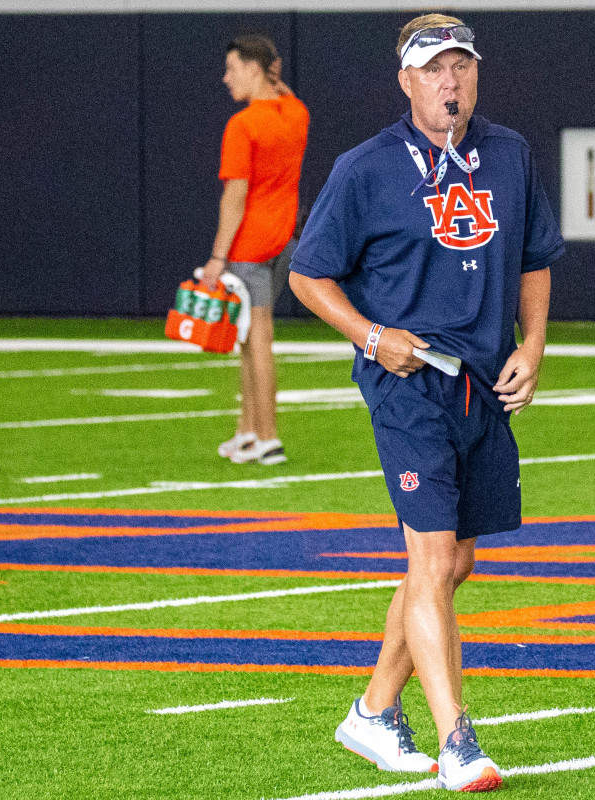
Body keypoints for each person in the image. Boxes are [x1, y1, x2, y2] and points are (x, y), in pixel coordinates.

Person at [288, 13, 563, 793]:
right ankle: (458, 740)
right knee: (434, 558)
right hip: (406, 385)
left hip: (483, 383)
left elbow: (536, 258)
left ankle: (374, 711)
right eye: (434, 69)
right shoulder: (366, 167)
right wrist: (374, 339)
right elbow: (309, 275)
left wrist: (532, 347)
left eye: (461, 67)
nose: (451, 82)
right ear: (405, 80)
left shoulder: (508, 154)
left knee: (455, 561)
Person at [203, 33, 309, 466]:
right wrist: (272, 75)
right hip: (287, 239)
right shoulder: (298, 114)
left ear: (252, 68)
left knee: (258, 339)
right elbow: (285, 95)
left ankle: (268, 436)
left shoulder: (242, 125)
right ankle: (247, 431)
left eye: (232, 68)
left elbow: (235, 196)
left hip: (250, 245)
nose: (226, 78)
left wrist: (216, 257)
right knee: (250, 338)